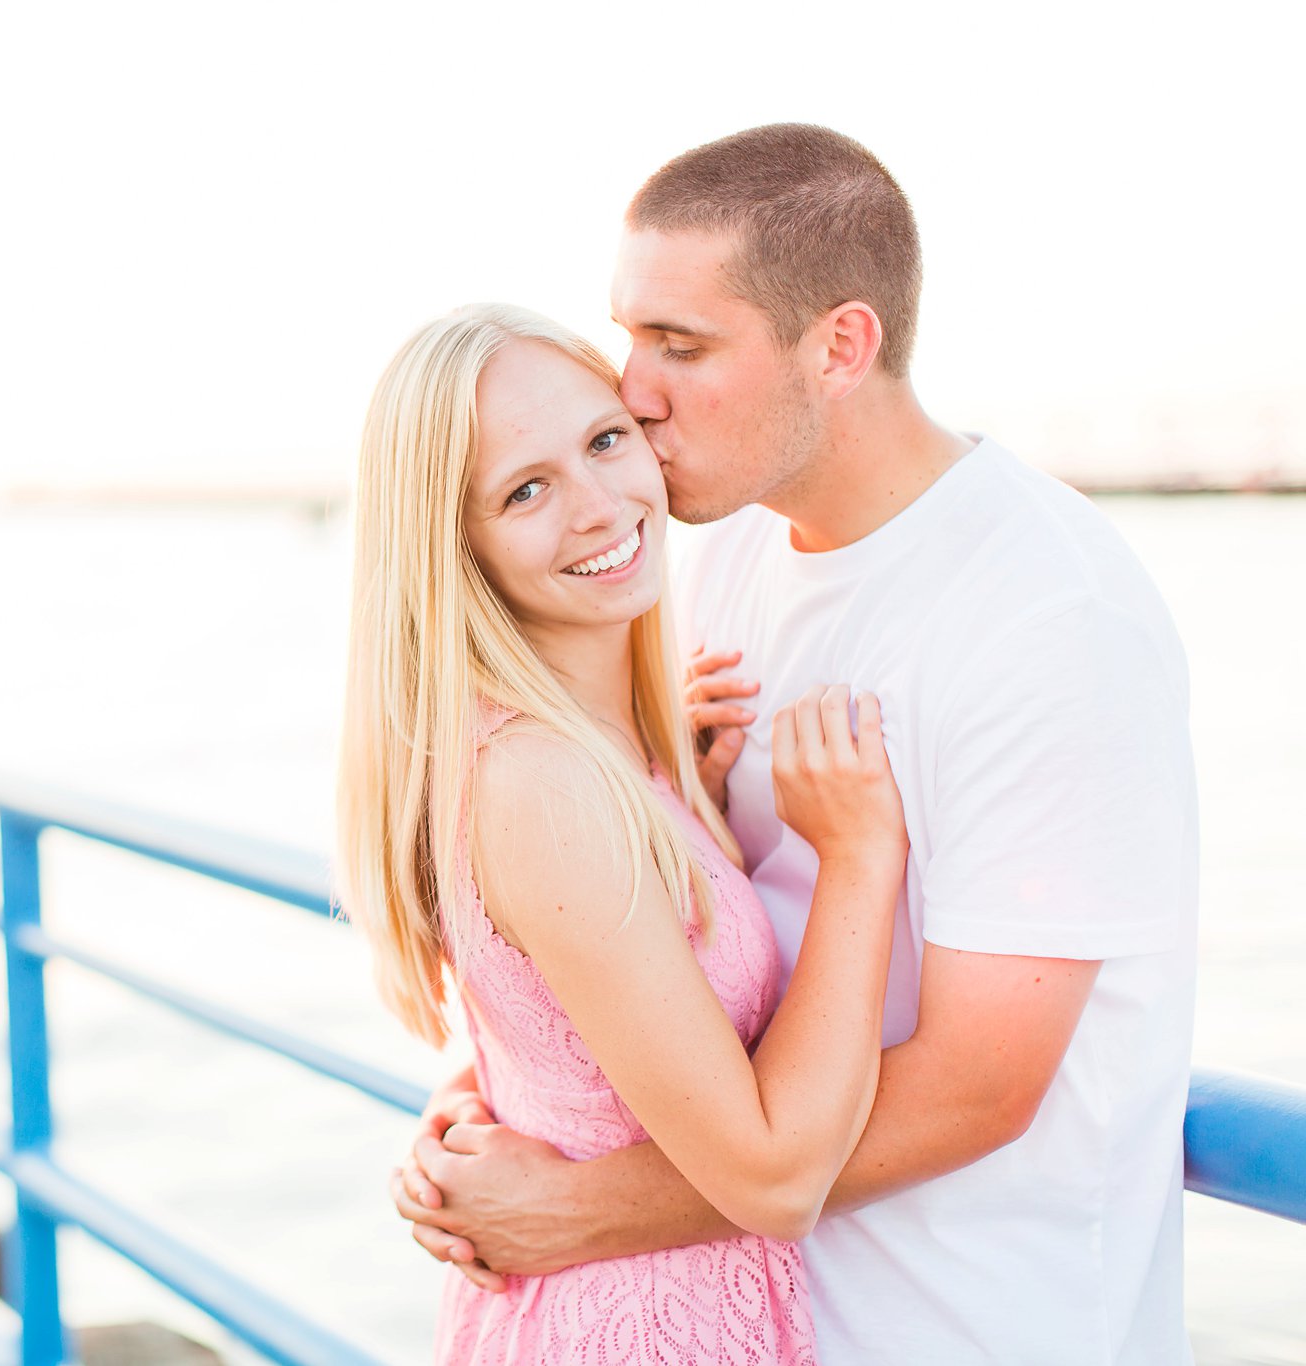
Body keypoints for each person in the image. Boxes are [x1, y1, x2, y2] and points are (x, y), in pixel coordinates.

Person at [391, 125, 1199, 1365]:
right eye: (628, 335)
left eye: (680, 345)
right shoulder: (723, 563)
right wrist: (508, 1090)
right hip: (750, 1313)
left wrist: (573, 1208)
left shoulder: (1046, 617)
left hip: (969, 1324)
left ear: (838, 346)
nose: (631, 388)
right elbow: (623, 909)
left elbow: (981, 1081)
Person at [336, 300, 912, 1362]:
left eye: (604, 440)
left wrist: (685, 814)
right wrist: (857, 858)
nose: (598, 505)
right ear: (453, 546)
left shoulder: (602, 757)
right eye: (523, 491)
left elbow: (567, 1025)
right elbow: (775, 1177)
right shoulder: (546, 786)